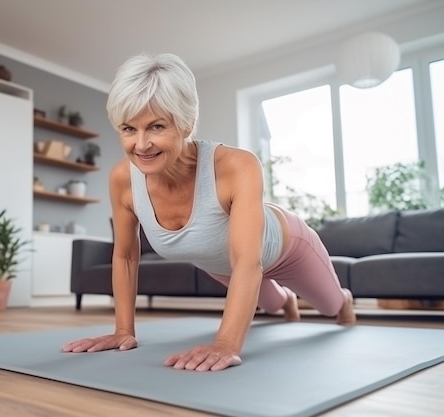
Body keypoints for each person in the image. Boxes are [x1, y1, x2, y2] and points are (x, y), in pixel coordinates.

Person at [61, 53, 356, 372]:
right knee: (271, 304)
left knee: (329, 307)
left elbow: (249, 260)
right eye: (129, 129)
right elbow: (126, 257)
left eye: (156, 126)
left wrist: (226, 344)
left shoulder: (236, 166)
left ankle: (345, 298)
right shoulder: (122, 179)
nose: (142, 144)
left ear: (186, 123)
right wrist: (123, 331)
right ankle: (283, 300)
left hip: (287, 248)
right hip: (225, 263)